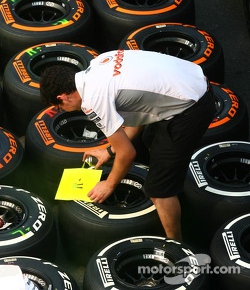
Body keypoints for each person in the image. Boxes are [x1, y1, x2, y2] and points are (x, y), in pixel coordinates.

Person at [40, 49, 215, 241]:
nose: (64, 111)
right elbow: (139, 108)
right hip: (194, 79)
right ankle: (169, 177)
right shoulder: (99, 62)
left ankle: (177, 244)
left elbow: (128, 153)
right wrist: (109, 150)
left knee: (158, 190)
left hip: (193, 106)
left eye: (59, 108)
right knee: (149, 140)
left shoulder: (93, 100)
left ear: (62, 97)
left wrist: (109, 184)